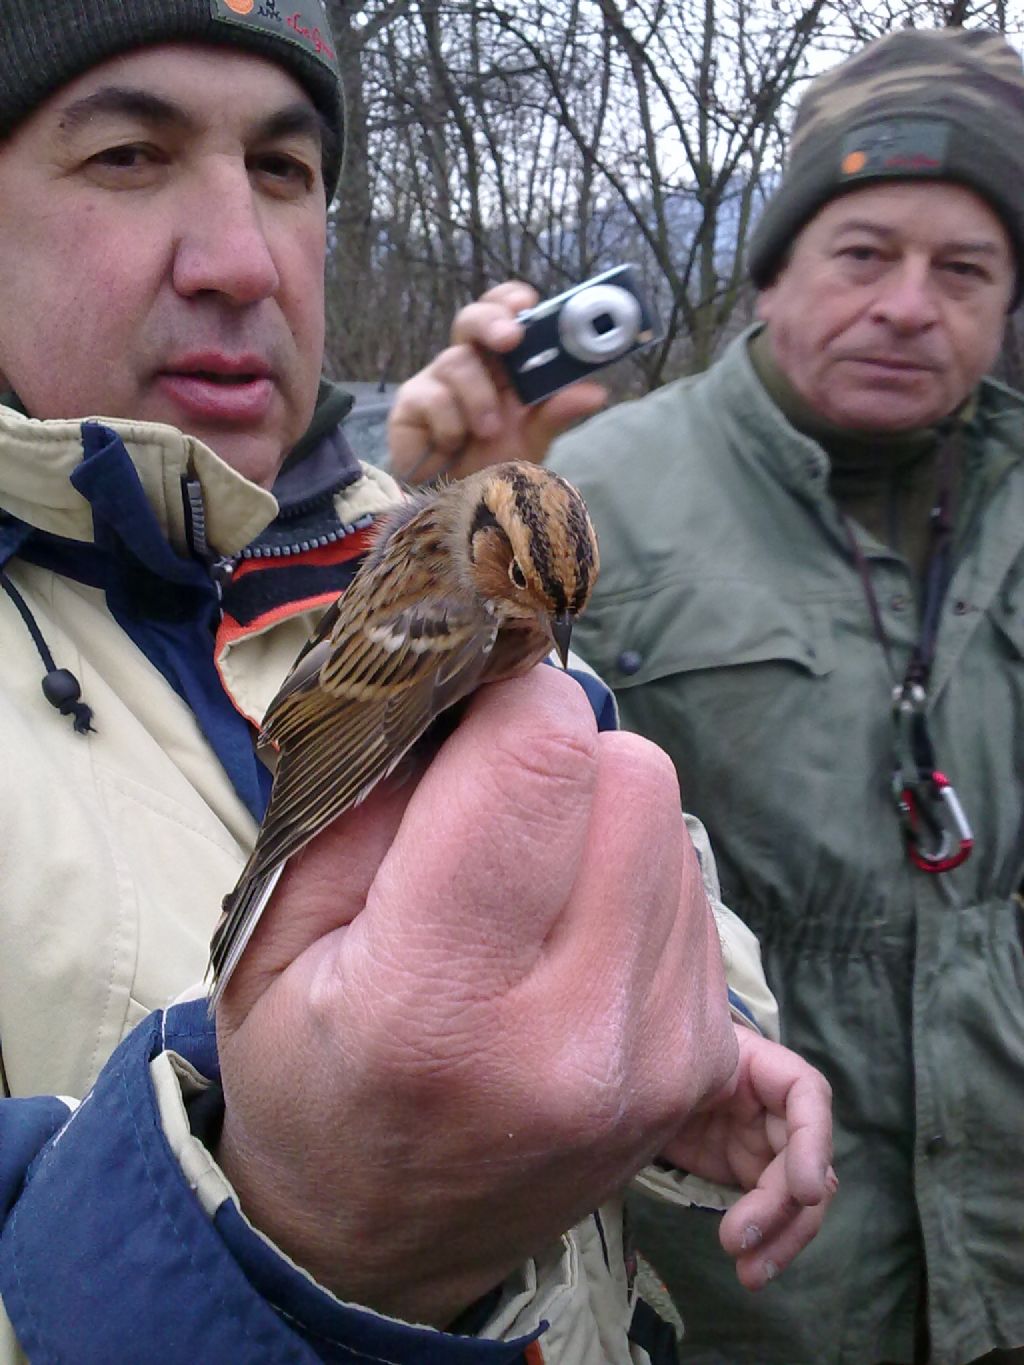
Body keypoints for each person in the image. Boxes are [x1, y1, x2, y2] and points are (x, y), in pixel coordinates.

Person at [0, 3, 836, 1362]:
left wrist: (688, 1039)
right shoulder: (428, 592)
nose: (238, 261)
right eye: (128, 155)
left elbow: (634, 871)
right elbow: (338, 735)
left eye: (283, 168)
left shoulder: (387, 521)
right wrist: (300, 1238)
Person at [547, 25, 1024, 1365]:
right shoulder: (603, 501)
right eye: (864, 255)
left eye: (966, 270)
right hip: (745, 1283)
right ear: (772, 273)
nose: (909, 306)